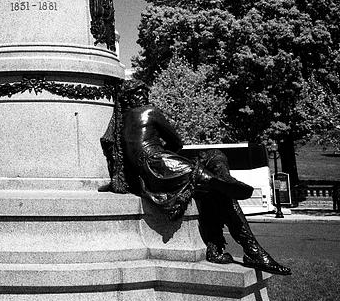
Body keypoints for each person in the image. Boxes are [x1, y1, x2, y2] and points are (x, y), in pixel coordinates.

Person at [100, 81, 290, 275]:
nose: (144, 96)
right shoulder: (149, 111)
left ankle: (221, 193)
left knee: (212, 167)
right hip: (159, 163)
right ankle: (250, 249)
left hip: (148, 174)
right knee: (215, 182)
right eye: (141, 93)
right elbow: (177, 141)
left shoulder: (120, 121)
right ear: (132, 97)